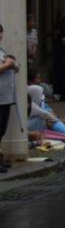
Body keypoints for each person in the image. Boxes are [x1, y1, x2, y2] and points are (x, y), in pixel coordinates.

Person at [0, 24, 18, 173]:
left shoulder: (2, 51)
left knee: (2, 130)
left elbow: (14, 66)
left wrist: (12, 64)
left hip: (6, 97)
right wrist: (8, 64)